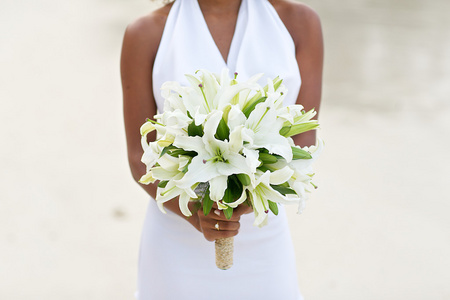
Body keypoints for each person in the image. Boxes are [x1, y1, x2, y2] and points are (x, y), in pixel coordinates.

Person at [120, 0, 323, 299]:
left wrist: (250, 200)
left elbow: (304, 138)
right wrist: (195, 214)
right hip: (177, 237)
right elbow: (140, 158)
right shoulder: (146, 33)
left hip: (262, 231)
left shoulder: (300, 23)